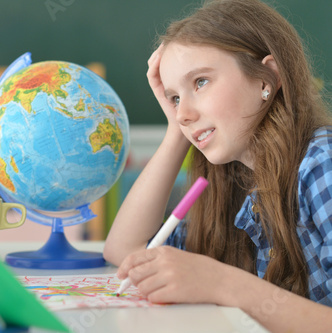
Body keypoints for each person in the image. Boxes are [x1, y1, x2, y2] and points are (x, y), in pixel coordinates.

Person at [103, 0, 332, 331]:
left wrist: (223, 283)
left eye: (200, 82)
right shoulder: (234, 180)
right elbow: (124, 251)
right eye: (175, 98)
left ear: (266, 79)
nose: (183, 112)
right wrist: (175, 132)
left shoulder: (321, 164)